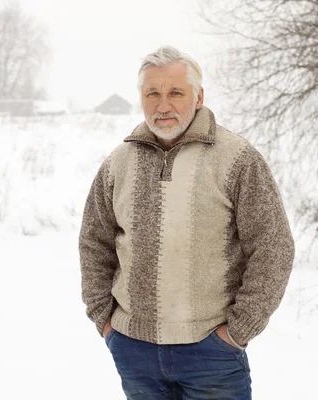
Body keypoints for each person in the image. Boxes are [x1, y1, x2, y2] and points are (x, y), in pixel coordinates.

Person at [79, 45, 295, 399]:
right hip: (134, 350)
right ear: (142, 98)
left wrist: (238, 332)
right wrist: (104, 320)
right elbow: (94, 242)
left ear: (198, 97)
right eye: (153, 93)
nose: (163, 105)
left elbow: (273, 248)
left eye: (175, 92)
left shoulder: (237, 159)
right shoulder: (117, 164)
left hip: (212, 352)